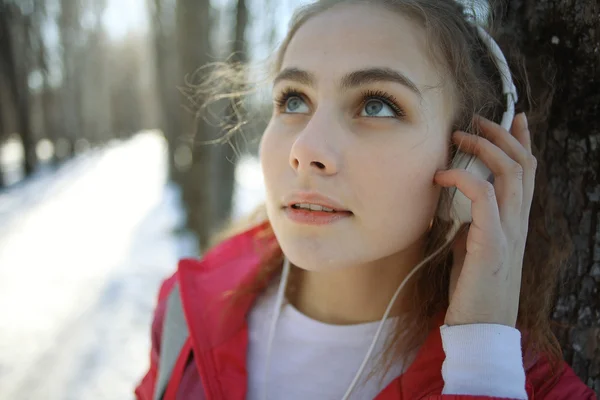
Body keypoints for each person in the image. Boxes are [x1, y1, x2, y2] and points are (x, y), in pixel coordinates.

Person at [135, 0, 597, 399]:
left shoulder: (517, 384)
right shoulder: (188, 316)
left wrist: (480, 367)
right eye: (293, 100)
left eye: (377, 105)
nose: (305, 151)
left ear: (469, 162)